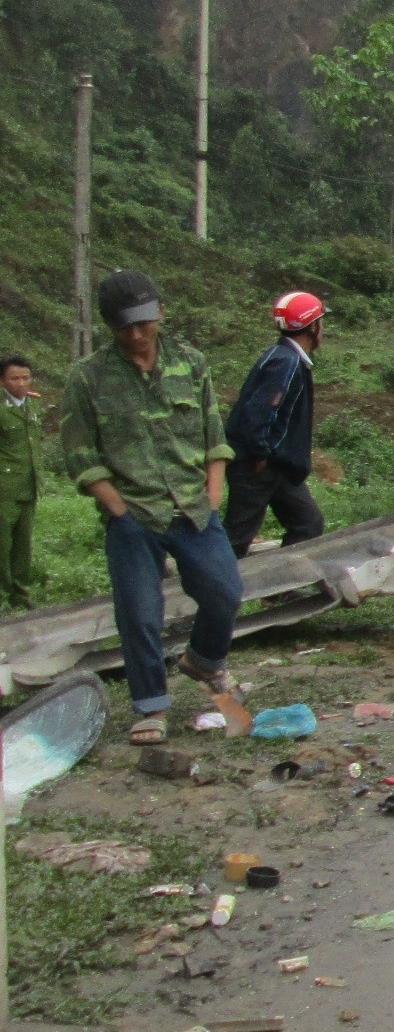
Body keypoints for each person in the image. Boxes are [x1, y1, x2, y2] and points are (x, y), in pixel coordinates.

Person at [58, 270, 243, 746]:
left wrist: (214, 490)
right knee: (139, 613)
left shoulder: (190, 362)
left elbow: (213, 435)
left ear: (160, 312)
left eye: (143, 323)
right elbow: (81, 454)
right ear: (109, 326)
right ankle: (150, 706)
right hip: (133, 513)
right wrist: (118, 509)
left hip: (193, 509)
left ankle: (203, 659)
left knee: (225, 592)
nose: (137, 335)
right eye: (124, 327)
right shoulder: (89, 378)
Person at [224, 290, 328, 556]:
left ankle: (281, 590)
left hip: (279, 466)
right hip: (258, 466)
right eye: (321, 322)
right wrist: (259, 455)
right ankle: (203, 592)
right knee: (236, 539)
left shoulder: (286, 358)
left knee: (308, 523)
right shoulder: (285, 363)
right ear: (313, 326)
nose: (323, 328)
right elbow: (257, 413)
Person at [0, 354, 37, 611]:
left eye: (25, 377)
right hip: (4, 489)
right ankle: (3, 597)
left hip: (28, 487)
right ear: (2, 380)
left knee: (23, 545)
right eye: (15, 378)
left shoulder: (30, 406)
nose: (21, 383)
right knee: (2, 545)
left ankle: (20, 596)